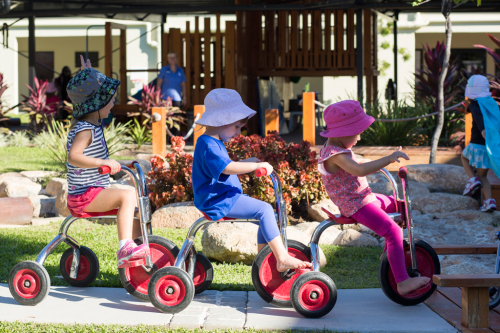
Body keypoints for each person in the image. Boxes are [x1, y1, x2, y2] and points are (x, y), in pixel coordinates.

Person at [192, 89, 312, 272]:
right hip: (218, 201)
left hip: (224, 197)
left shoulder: (212, 142)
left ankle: (263, 263)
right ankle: (282, 258)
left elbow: (225, 165)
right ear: (223, 120)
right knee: (264, 210)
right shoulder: (208, 144)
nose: (239, 133)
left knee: (268, 215)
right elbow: (226, 168)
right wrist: (255, 167)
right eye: (237, 126)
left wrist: (249, 162)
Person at [318, 100, 430, 295]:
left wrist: (363, 160)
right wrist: (387, 159)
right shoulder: (335, 155)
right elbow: (359, 170)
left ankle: (390, 253)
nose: (359, 138)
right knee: (393, 230)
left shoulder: (335, 149)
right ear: (343, 132)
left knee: (398, 205)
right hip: (356, 205)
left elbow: (352, 165)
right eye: (357, 133)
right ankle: (402, 282)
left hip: (362, 197)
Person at [65, 55, 149, 268]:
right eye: (109, 98)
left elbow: (100, 159)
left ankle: (141, 245)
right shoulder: (85, 129)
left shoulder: (93, 126)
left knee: (137, 201)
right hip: (83, 196)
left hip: (93, 190)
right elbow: (74, 157)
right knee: (127, 194)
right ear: (97, 103)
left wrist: (121, 162)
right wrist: (103, 163)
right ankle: (125, 249)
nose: (112, 101)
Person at [461, 75, 498, 212]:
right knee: (483, 176)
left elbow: (477, 116)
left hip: (476, 145)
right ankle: (489, 202)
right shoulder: (491, 104)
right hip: (487, 147)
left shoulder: (475, 105)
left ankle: (472, 180)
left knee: (464, 158)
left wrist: (483, 129)